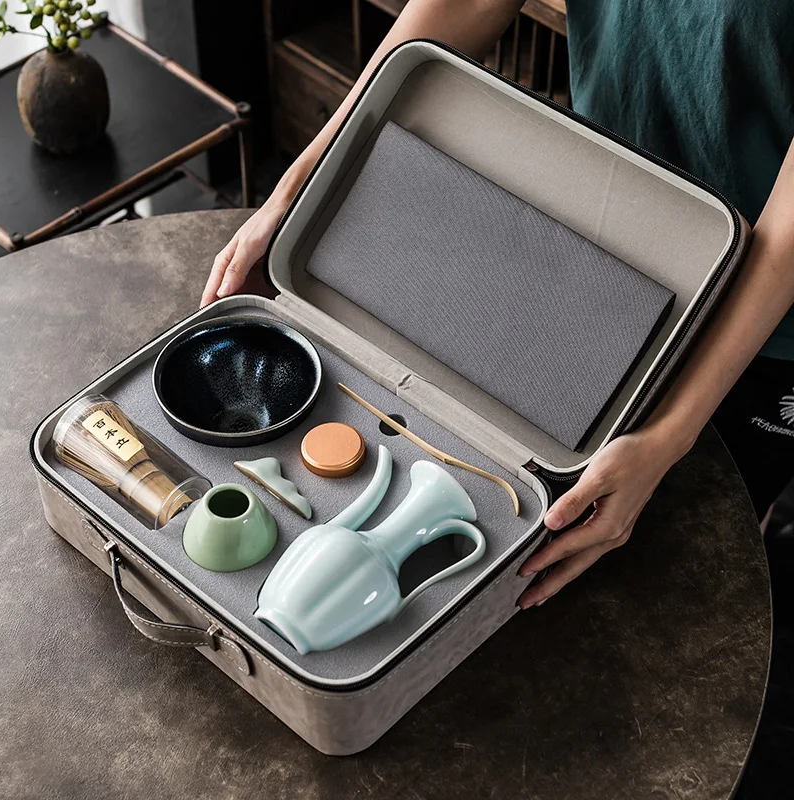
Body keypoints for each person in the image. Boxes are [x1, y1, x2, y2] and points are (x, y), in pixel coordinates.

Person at [201, 0, 794, 611]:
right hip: (588, 231)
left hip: (763, 325)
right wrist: (300, 186)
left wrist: (671, 435)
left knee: (696, 556)